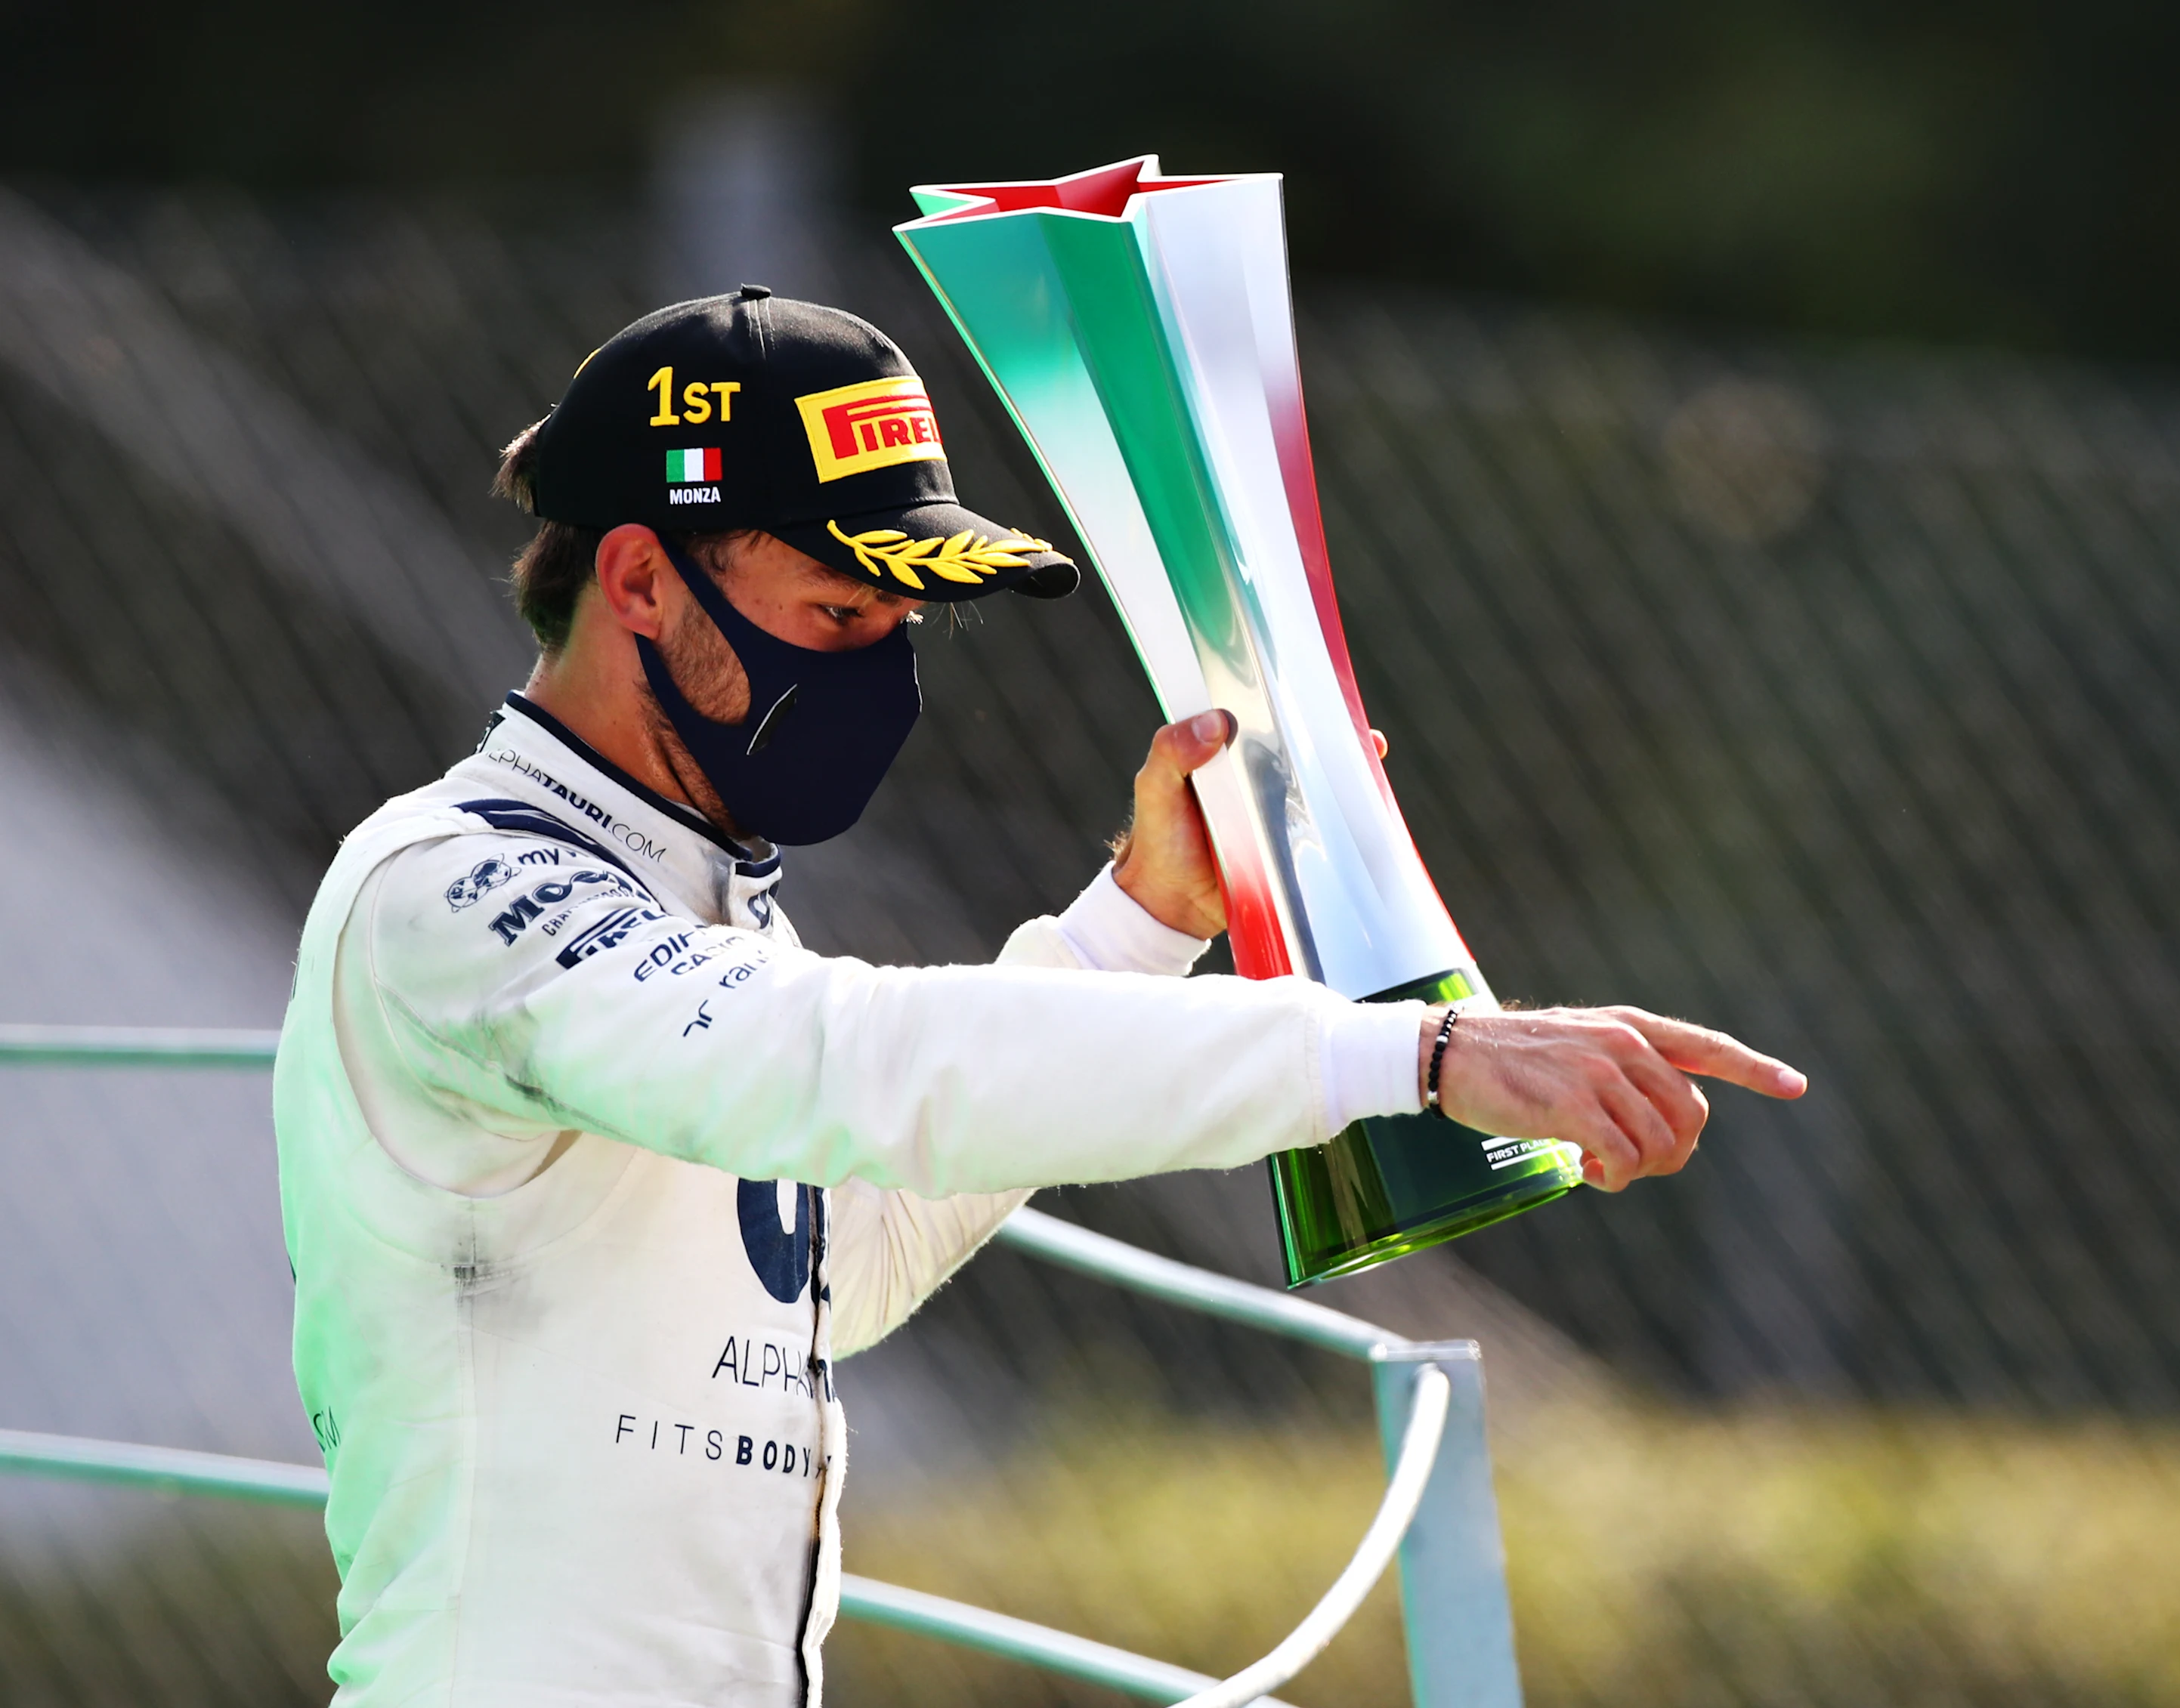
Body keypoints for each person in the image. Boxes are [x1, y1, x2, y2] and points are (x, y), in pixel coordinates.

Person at [271, 287, 1806, 1706]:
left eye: (902, 625)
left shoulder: (700, 911)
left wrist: (1144, 923)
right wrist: (1416, 1053)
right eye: (835, 613)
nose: (882, 672)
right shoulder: (450, 893)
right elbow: (855, 1073)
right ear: (636, 581)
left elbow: (830, 1265)